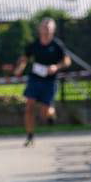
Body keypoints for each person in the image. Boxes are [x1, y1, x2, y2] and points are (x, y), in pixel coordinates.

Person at [14, 18, 71, 146]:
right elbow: (24, 59)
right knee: (29, 107)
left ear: (53, 30)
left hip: (50, 81)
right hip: (35, 79)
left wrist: (56, 67)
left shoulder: (57, 45)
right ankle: (29, 136)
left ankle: (51, 114)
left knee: (44, 113)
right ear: (39, 29)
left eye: (49, 28)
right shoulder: (33, 45)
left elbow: (67, 61)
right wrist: (19, 69)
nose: (46, 30)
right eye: (44, 27)